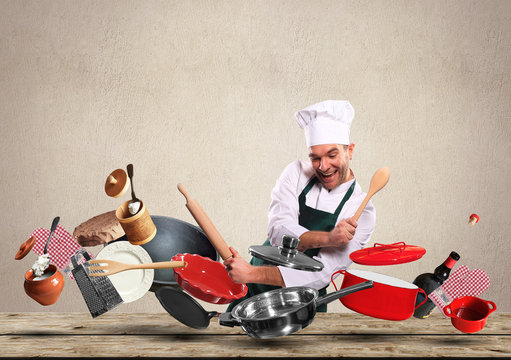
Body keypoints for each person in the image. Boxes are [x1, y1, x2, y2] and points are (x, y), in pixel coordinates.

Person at [224, 100, 376, 312]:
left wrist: (251, 273)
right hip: (253, 291)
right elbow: (279, 231)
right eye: (315, 158)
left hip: (300, 304)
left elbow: (322, 274)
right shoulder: (295, 173)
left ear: (349, 150)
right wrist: (329, 239)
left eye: (332, 155)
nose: (323, 167)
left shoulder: (362, 211)